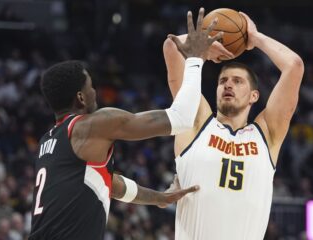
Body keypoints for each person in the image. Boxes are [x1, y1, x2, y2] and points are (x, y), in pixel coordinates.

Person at [29, 8, 222, 240]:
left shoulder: (49, 141)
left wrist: (158, 198)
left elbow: (109, 182)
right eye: (91, 86)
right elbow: (181, 118)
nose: (95, 91)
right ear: (80, 97)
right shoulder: (94, 124)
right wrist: (195, 60)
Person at [163, 12, 304, 240]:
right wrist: (202, 47)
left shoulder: (267, 134)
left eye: (237, 81)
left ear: (254, 96)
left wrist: (254, 38)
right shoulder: (196, 121)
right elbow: (171, 47)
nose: (228, 84)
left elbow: (294, 66)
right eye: (223, 81)